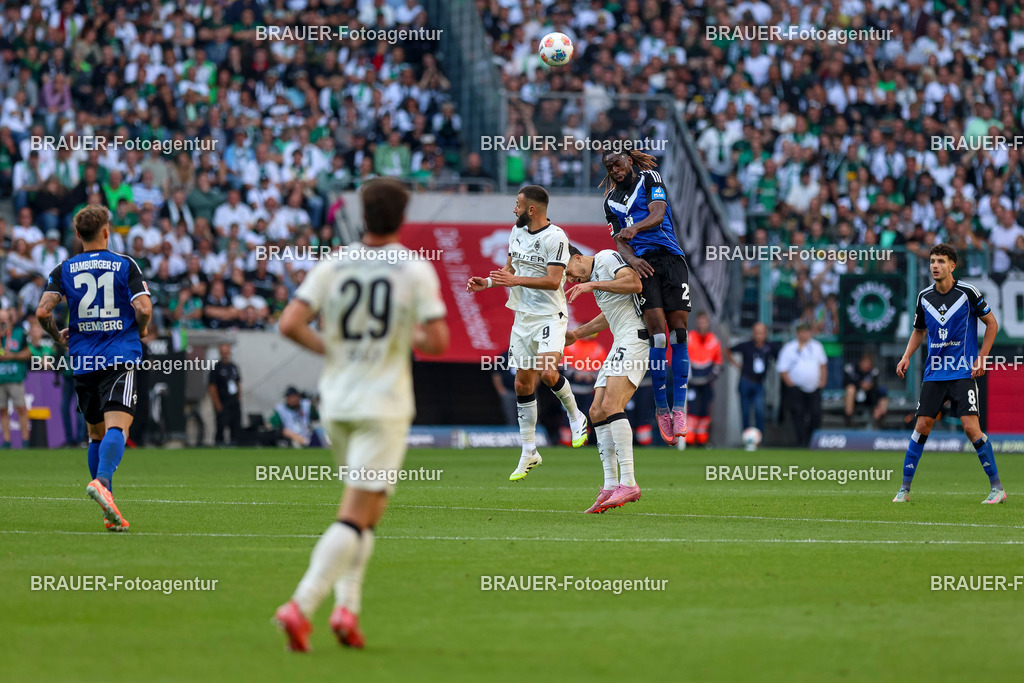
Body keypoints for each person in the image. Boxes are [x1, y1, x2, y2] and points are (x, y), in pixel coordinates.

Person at [273, 177, 449, 651]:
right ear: (402, 219)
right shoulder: (412, 270)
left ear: (362, 215)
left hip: (338, 402)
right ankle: (300, 604)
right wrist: (403, 334)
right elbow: (437, 341)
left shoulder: (335, 262)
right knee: (356, 513)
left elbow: (289, 323)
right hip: (383, 403)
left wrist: (334, 350)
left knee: (367, 510)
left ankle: (347, 610)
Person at [36, 205, 153, 531]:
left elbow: (43, 312)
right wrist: (141, 329)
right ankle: (102, 481)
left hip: (84, 360)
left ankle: (109, 510)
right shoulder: (123, 263)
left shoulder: (64, 268)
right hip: (119, 356)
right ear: (106, 231)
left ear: (77, 235)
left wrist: (57, 336)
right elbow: (143, 307)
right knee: (119, 427)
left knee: (94, 434)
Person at [466, 185, 587, 481]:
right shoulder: (516, 232)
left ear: (532, 209)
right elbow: (509, 269)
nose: (514, 209)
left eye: (517, 204)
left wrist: (513, 279)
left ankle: (576, 415)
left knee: (547, 373)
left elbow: (553, 280)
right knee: (522, 383)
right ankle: (529, 450)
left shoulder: (555, 237)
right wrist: (488, 282)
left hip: (549, 315)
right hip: (522, 317)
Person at [894, 244, 1005, 504]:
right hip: (934, 373)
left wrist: (982, 357)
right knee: (922, 425)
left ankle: (997, 488)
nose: (935, 265)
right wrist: (906, 356)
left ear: (952, 266)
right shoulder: (924, 297)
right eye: (932, 261)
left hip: (963, 371)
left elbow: (992, 324)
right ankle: (904, 489)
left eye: (941, 261)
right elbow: (919, 330)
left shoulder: (967, 293)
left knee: (970, 427)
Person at [601, 150, 691, 445]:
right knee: (658, 337)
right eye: (609, 166)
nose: (614, 169)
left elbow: (658, 213)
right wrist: (632, 260)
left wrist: (635, 228)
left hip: (670, 259)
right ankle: (661, 408)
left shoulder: (650, 178)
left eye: (618, 163)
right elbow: (619, 241)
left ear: (628, 160)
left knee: (678, 334)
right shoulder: (610, 202)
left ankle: (680, 407)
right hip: (644, 266)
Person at [564, 245, 648, 513]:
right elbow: (610, 317)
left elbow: (634, 283)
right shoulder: (595, 279)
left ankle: (629, 483)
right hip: (620, 341)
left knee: (612, 407)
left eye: (568, 272)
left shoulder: (605, 257)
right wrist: (577, 333)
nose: (569, 280)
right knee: (596, 410)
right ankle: (611, 484)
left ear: (577, 258)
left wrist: (591, 286)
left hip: (635, 338)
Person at [777, 323, 827, 447]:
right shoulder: (789, 348)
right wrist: (790, 384)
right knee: (798, 414)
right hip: (796, 388)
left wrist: (823, 380)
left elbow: (822, 364)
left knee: (816, 413)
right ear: (797, 334)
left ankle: (813, 439)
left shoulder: (817, 346)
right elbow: (782, 368)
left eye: (807, 332)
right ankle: (802, 442)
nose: (805, 335)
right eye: (802, 332)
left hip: (814, 387)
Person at [727, 322, 776, 437]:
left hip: (759, 383)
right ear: (753, 333)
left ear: (765, 334)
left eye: (761, 333)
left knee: (759, 411)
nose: (759, 336)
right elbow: (728, 350)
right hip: (745, 381)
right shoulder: (746, 345)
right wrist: (736, 364)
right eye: (757, 333)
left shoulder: (769, 347)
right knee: (745, 411)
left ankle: (759, 438)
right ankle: (746, 437)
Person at [685, 312, 722, 446]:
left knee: (705, 410)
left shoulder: (714, 340)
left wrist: (714, 373)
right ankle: (689, 440)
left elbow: (718, 361)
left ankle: (702, 440)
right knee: (692, 409)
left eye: (704, 321)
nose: (702, 324)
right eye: (700, 321)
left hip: (707, 380)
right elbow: (684, 357)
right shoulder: (690, 337)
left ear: (707, 323)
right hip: (692, 380)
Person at [0, 308, 30, 449]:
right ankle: (6, 440)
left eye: (5, 318)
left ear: (10, 319)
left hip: (16, 378)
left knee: (21, 409)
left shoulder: (19, 332)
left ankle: (25, 440)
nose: (3, 321)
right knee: (3, 410)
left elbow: (29, 352)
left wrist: (13, 356)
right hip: (0, 379)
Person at [843, 352, 889, 428]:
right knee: (850, 389)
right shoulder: (852, 369)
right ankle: (848, 421)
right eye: (865, 363)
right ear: (861, 362)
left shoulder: (873, 372)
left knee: (883, 399)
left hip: (869, 398)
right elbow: (845, 383)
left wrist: (876, 405)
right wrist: (860, 384)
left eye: (869, 364)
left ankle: (880, 424)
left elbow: (876, 388)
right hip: (854, 398)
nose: (867, 366)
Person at [208, 342, 242, 446]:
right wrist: (217, 404)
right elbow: (212, 387)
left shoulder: (234, 367)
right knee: (221, 425)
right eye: (223, 352)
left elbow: (238, 384)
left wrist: (238, 400)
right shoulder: (216, 368)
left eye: (227, 352)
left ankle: (234, 444)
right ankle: (219, 444)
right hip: (223, 401)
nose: (225, 354)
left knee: (235, 426)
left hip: (233, 401)